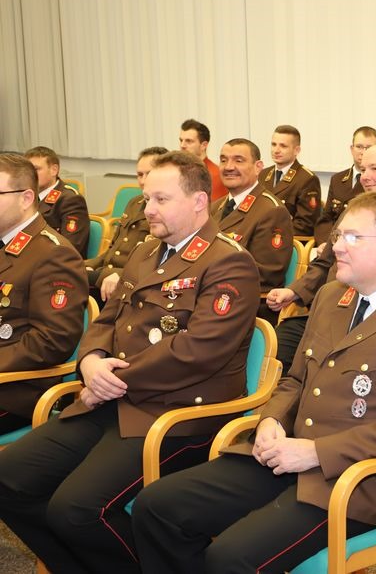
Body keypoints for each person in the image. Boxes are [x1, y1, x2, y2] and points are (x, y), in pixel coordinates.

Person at [131, 191, 376, 573]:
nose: (337, 246)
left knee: (231, 556)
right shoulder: (332, 296)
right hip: (289, 454)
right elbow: (296, 380)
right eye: (338, 235)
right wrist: (272, 419)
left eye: (353, 237)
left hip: (361, 481)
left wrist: (317, 452)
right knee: (157, 507)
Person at [0, 151, 260, 573]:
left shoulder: (228, 261)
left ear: (199, 201)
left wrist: (111, 378)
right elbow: (106, 319)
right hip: (112, 399)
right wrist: (91, 361)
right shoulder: (146, 251)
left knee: (76, 510)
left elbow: (200, 350)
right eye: (146, 197)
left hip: (177, 414)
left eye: (160, 199)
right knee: (8, 478)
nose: (147, 208)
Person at [266, 143, 376, 369]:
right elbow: (325, 263)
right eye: (363, 170)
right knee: (279, 349)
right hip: (330, 312)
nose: (365, 177)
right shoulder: (353, 213)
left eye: (374, 169)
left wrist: (366, 311)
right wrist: (294, 291)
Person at [0, 154, 88, 434]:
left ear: (26, 198)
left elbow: (52, 340)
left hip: (15, 390)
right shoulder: (6, 243)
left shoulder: (53, 254)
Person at [212, 139, 295, 323]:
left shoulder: (271, 211)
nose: (229, 167)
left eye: (238, 160)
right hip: (210, 296)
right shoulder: (214, 208)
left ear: (258, 167)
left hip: (243, 306)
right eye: (223, 160)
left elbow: (266, 275)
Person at [85, 146, 168, 305]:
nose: (143, 181)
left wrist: (117, 274)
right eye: (139, 175)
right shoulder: (134, 203)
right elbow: (112, 250)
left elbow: (158, 263)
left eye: (149, 174)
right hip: (107, 276)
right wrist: (87, 265)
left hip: (132, 283)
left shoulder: (166, 210)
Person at [313, 126, 376, 245]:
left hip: (360, 245)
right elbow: (326, 219)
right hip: (333, 243)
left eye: (369, 148)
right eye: (359, 147)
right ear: (352, 149)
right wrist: (325, 244)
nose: (363, 152)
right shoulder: (337, 180)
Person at [24, 146, 91, 257]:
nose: (30, 174)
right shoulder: (26, 196)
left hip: (54, 262)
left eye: (36, 169)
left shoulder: (70, 200)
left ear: (54, 170)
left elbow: (70, 247)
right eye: (27, 170)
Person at [257, 125, 321, 237]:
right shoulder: (263, 174)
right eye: (274, 144)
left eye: (283, 146)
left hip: (283, 239)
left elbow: (305, 225)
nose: (276, 150)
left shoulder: (307, 179)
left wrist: (267, 235)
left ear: (296, 150)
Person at [179, 119, 228, 201]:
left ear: (203, 145)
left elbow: (215, 207)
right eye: (181, 140)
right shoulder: (179, 171)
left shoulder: (215, 175)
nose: (182, 145)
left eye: (189, 141)